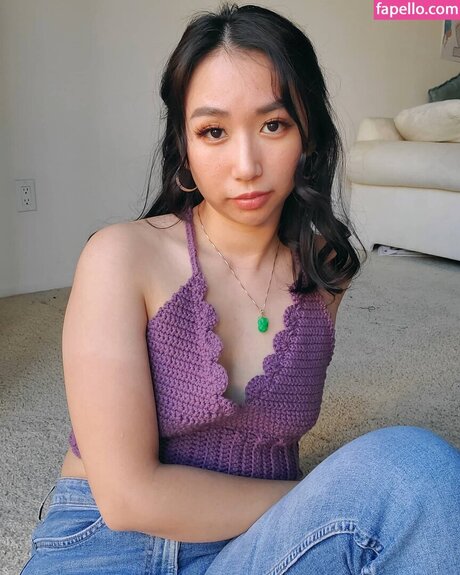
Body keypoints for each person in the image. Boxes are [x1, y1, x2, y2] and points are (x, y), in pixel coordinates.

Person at [20, 4, 459, 575]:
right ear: (185, 145)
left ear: (308, 133)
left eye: (273, 125)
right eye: (214, 132)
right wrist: (322, 500)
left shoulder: (326, 272)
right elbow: (128, 499)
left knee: (418, 470)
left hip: (260, 543)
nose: (247, 165)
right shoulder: (121, 257)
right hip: (106, 546)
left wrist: (325, 508)